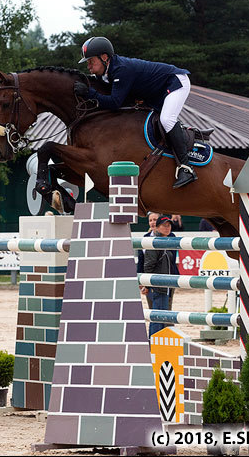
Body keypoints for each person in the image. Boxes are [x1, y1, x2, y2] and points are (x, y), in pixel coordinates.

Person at [74, 36, 198, 189]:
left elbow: (114, 103)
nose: (88, 66)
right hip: (156, 92)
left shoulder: (121, 70)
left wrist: (89, 94)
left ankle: (186, 168)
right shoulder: (108, 72)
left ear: (104, 57)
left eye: (91, 61)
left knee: (167, 120)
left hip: (175, 82)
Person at [143, 216, 179, 336]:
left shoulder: (168, 240)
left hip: (166, 285)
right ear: (157, 227)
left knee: (163, 315)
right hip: (158, 286)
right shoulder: (154, 242)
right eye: (164, 225)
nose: (167, 227)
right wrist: (147, 285)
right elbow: (149, 265)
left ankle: (158, 343)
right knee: (158, 317)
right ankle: (153, 343)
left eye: (168, 225)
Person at [137, 211, 160, 309]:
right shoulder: (145, 238)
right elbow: (141, 260)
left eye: (155, 220)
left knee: (166, 309)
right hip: (148, 279)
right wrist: (140, 281)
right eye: (150, 220)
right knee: (151, 308)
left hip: (164, 277)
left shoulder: (168, 236)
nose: (152, 222)